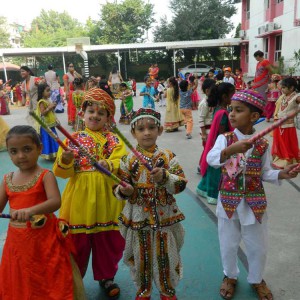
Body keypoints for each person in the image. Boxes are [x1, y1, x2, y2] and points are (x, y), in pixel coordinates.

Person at [206, 89, 299, 300]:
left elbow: (265, 172)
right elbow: (211, 159)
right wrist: (231, 150)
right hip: (229, 202)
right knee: (228, 243)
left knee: (258, 246)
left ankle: (257, 278)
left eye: (238, 110)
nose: (231, 114)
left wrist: (281, 174)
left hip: (254, 203)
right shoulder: (225, 139)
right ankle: (230, 276)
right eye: (231, 109)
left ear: (254, 117)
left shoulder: (262, 144)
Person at [53, 88, 127, 299]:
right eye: (90, 111)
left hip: (107, 199)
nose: (95, 116)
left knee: (108, 240)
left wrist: (109, 164)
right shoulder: (71, 139)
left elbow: (122, 162)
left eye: (100, 113)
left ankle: (106, 276)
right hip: (79, 200)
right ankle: (73, 279)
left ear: (107, 118)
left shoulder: (114, 139)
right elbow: (61, 173)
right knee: (77, 243)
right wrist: (66, 160)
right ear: (82, 114)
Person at [0, 125, 86, 300]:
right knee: (22, 274)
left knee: (46, 274)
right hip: (18, 242)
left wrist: (30, 210)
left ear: (39, 149)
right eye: (14, 151)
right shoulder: (7, 179)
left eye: (27, 149)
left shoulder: (45, 175)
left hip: (43, 240)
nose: (21, 156)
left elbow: (55, 201)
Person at [113, 108, 187, 300]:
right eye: (141, 129)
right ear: (133, 133)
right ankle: (143, 291)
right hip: (139, 218)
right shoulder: (127, 160)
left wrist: (165, 177)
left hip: (165, 217)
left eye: (152, 127)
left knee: (167, 257)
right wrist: (125, 190)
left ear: (160, 130)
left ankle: (167, 290)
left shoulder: (168, 156)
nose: (147, 132)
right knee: (141, 258)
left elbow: (180, 183)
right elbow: (118, 188)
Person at [196, 82, 235, 204]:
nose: (233, 98)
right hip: (221, 146)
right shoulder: (223, 113)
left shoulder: (219, 109)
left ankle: (202, 189)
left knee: (210, 170)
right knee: (215, 172)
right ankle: (212, 195)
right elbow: (223, 133)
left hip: (215, 144)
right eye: (232, 95)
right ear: (224, 97)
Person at [271, 77, 300, 169]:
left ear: (291, 88)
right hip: (279, 124)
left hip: (289, 125)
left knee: (288, 144)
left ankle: (289, 160)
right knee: (280, 143)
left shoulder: (296, 97)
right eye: (282, 87)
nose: (282, 89)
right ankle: (282, 158)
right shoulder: (283, 96)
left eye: (284, 87)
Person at [35, 83, 59, 160]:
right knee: (48, 139)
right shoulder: (41, 101)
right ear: (42, 92)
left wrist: (52, 107)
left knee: (53, 138)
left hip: (50, 124)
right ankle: (49, 154)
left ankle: (55, 153)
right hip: (45, 125)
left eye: (50, 90)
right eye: (47, 91)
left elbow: (50, 111)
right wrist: (49, 107)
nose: (49, 92)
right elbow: (43, 113)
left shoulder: (47, 100)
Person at [198, 78, 215, 148]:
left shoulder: (213, 101)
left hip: (212, 129)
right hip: (207, 130)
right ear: (207, 91)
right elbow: (201, 119)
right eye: (214, 90)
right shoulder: (204, 103)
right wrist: (204, 134)